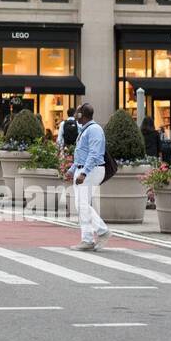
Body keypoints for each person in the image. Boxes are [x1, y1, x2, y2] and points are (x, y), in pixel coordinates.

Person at [64, 102, 109, 251]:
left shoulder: (94, 129)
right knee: (81, 205)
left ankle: (101, 231)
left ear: (82, 115)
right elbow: (82, 155)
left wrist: (83, 173)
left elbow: (94, 154)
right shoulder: (86, 129)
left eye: (78, 113)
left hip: (91, 170)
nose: (75, 116)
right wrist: (72, 170)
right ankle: (88, 239)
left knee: (83, 204)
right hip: (85, 169)